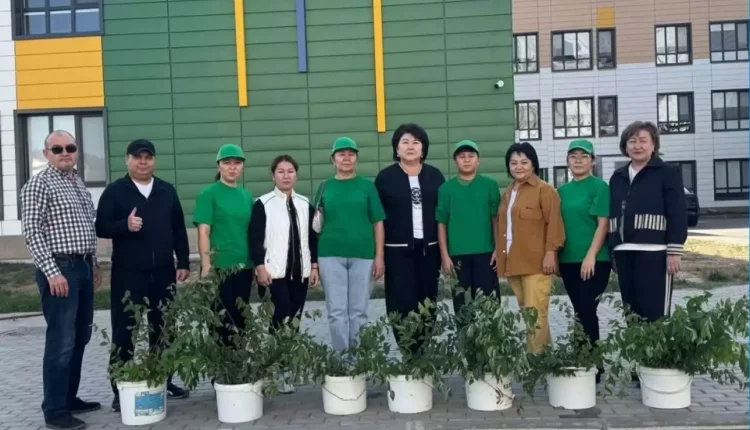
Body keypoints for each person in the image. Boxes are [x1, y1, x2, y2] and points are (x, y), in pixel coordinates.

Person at [95, 139, 191, 412]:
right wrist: (124, 225)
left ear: (154, 161)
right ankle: (120, 388)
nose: (143, 162)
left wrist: (183, 261)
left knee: (164, 329)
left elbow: (178, 229)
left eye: (148, 157)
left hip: (163, 272)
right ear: (127, 160)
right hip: (129, 273)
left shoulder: (166, 190)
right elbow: (101, 227)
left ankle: (163, 380)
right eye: (137, 157)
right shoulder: (115, 191)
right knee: (125, 329)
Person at [20, 130, 102, 430]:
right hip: (60, 269)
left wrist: (93, 263)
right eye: (57, 149)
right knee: (61, 341)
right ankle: (54, 410)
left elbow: (86, 227)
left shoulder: (77, 182)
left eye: (70, 147)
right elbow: (32, 232)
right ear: (46, 154)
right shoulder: (38, 184)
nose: (65, 152)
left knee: (81, 336)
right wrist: (52, 272)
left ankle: (69, 398)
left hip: (82, 266)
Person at [249, 154, 319, 394]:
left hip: (300, 273)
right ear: (273, 175)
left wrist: (314, 266)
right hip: (274, 273)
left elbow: (313, 238)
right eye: (281, 171)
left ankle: (286, 368)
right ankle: (274, 369)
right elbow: (255, 238)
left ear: (296, 175)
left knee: (294, 321)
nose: (286, 176)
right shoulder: (263, 203)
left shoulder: (304, 203)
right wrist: (260, 267)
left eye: (290, 171)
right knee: (280, 318)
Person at [374, 123, 444, 353]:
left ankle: (423, 351)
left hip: (429, 250)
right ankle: (407, 351)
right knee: (400, 301)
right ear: (397, 149)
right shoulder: (385, 178)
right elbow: (378, 219)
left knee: (428, 300)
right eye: (404, 142)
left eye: (416, 142)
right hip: (397, 251)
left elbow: (443, 216)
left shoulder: (435, 176)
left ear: (423, 149)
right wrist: (379, 255)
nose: (410, 146)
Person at [608, 121, 687, 324]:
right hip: (624, 253)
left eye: (643, 141)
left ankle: (658, 347)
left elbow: (677, 212)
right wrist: (613, 250)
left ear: (653, 145)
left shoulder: (667, 172)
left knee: (655, 313)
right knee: (631, 313)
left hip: (655, 253)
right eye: (632, 141)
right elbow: (613, 214)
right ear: (625, 146)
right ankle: (636, 347)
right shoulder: (617, 177)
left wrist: (674, 251)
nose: (637, 146)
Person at [314, 137, 385, 352]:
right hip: (330, 254)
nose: (346, 158)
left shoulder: (367, 187)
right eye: (341, 154)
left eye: (351, 154)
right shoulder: (324, 187)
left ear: (356, 159)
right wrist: (314, 264)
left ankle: (357, 360)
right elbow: (314, 225)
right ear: (333, 159)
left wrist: (379, 256)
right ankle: (341, 359)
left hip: (363, 255)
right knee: (336, 311)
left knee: (358, 311)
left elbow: (378, 222)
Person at [496, 142, 565, 354]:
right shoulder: (509, 192)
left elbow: (554, 224)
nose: (519, 167)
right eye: (513, 163)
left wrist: (550, 253)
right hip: (514, 262)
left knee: (535, 316)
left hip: (536, 264)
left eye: (524, 162)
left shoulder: (545, 190)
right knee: (531, 315)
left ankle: (535, 361)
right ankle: (546, 358)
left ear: (533, 164)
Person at [556, 139, 611, 383]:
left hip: (595, 261)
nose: (578, 160)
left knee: (587, 309)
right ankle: (583, 358)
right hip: (568, 260)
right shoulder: (561, 191)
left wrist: (591, 256)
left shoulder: (600, 187)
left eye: (584, 156)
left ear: (593, 161)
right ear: (567, 161)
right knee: (579, 310)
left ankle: (593, 363)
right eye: (573, 156)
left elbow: (603, 224)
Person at [193, 143, 254, 350]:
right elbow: (203, 231)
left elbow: (250, 231)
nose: (232, 167)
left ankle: (238, 363)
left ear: (243, 166)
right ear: (218, 166)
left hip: (244, 266)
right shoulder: (209, 193)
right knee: (221, 321)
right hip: (219, 267)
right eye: (227, 163)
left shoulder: (246, 195)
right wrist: (206, 265)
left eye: (237, 163)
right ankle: (221, 365)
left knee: (241, 320)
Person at [436, 140, 501, 324]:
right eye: (461, 156)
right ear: (455, 161)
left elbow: (495, 219)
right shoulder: (446, 189)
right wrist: (444, 256)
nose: (466, 160)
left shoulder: (489, 185)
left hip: (486, 254)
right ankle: (465, 341)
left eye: (471, 156)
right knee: (462, 306)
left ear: (478, 160)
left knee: (489, 305)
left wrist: (498, 249)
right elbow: (442, 223)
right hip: (457, 255)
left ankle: (491, 341)